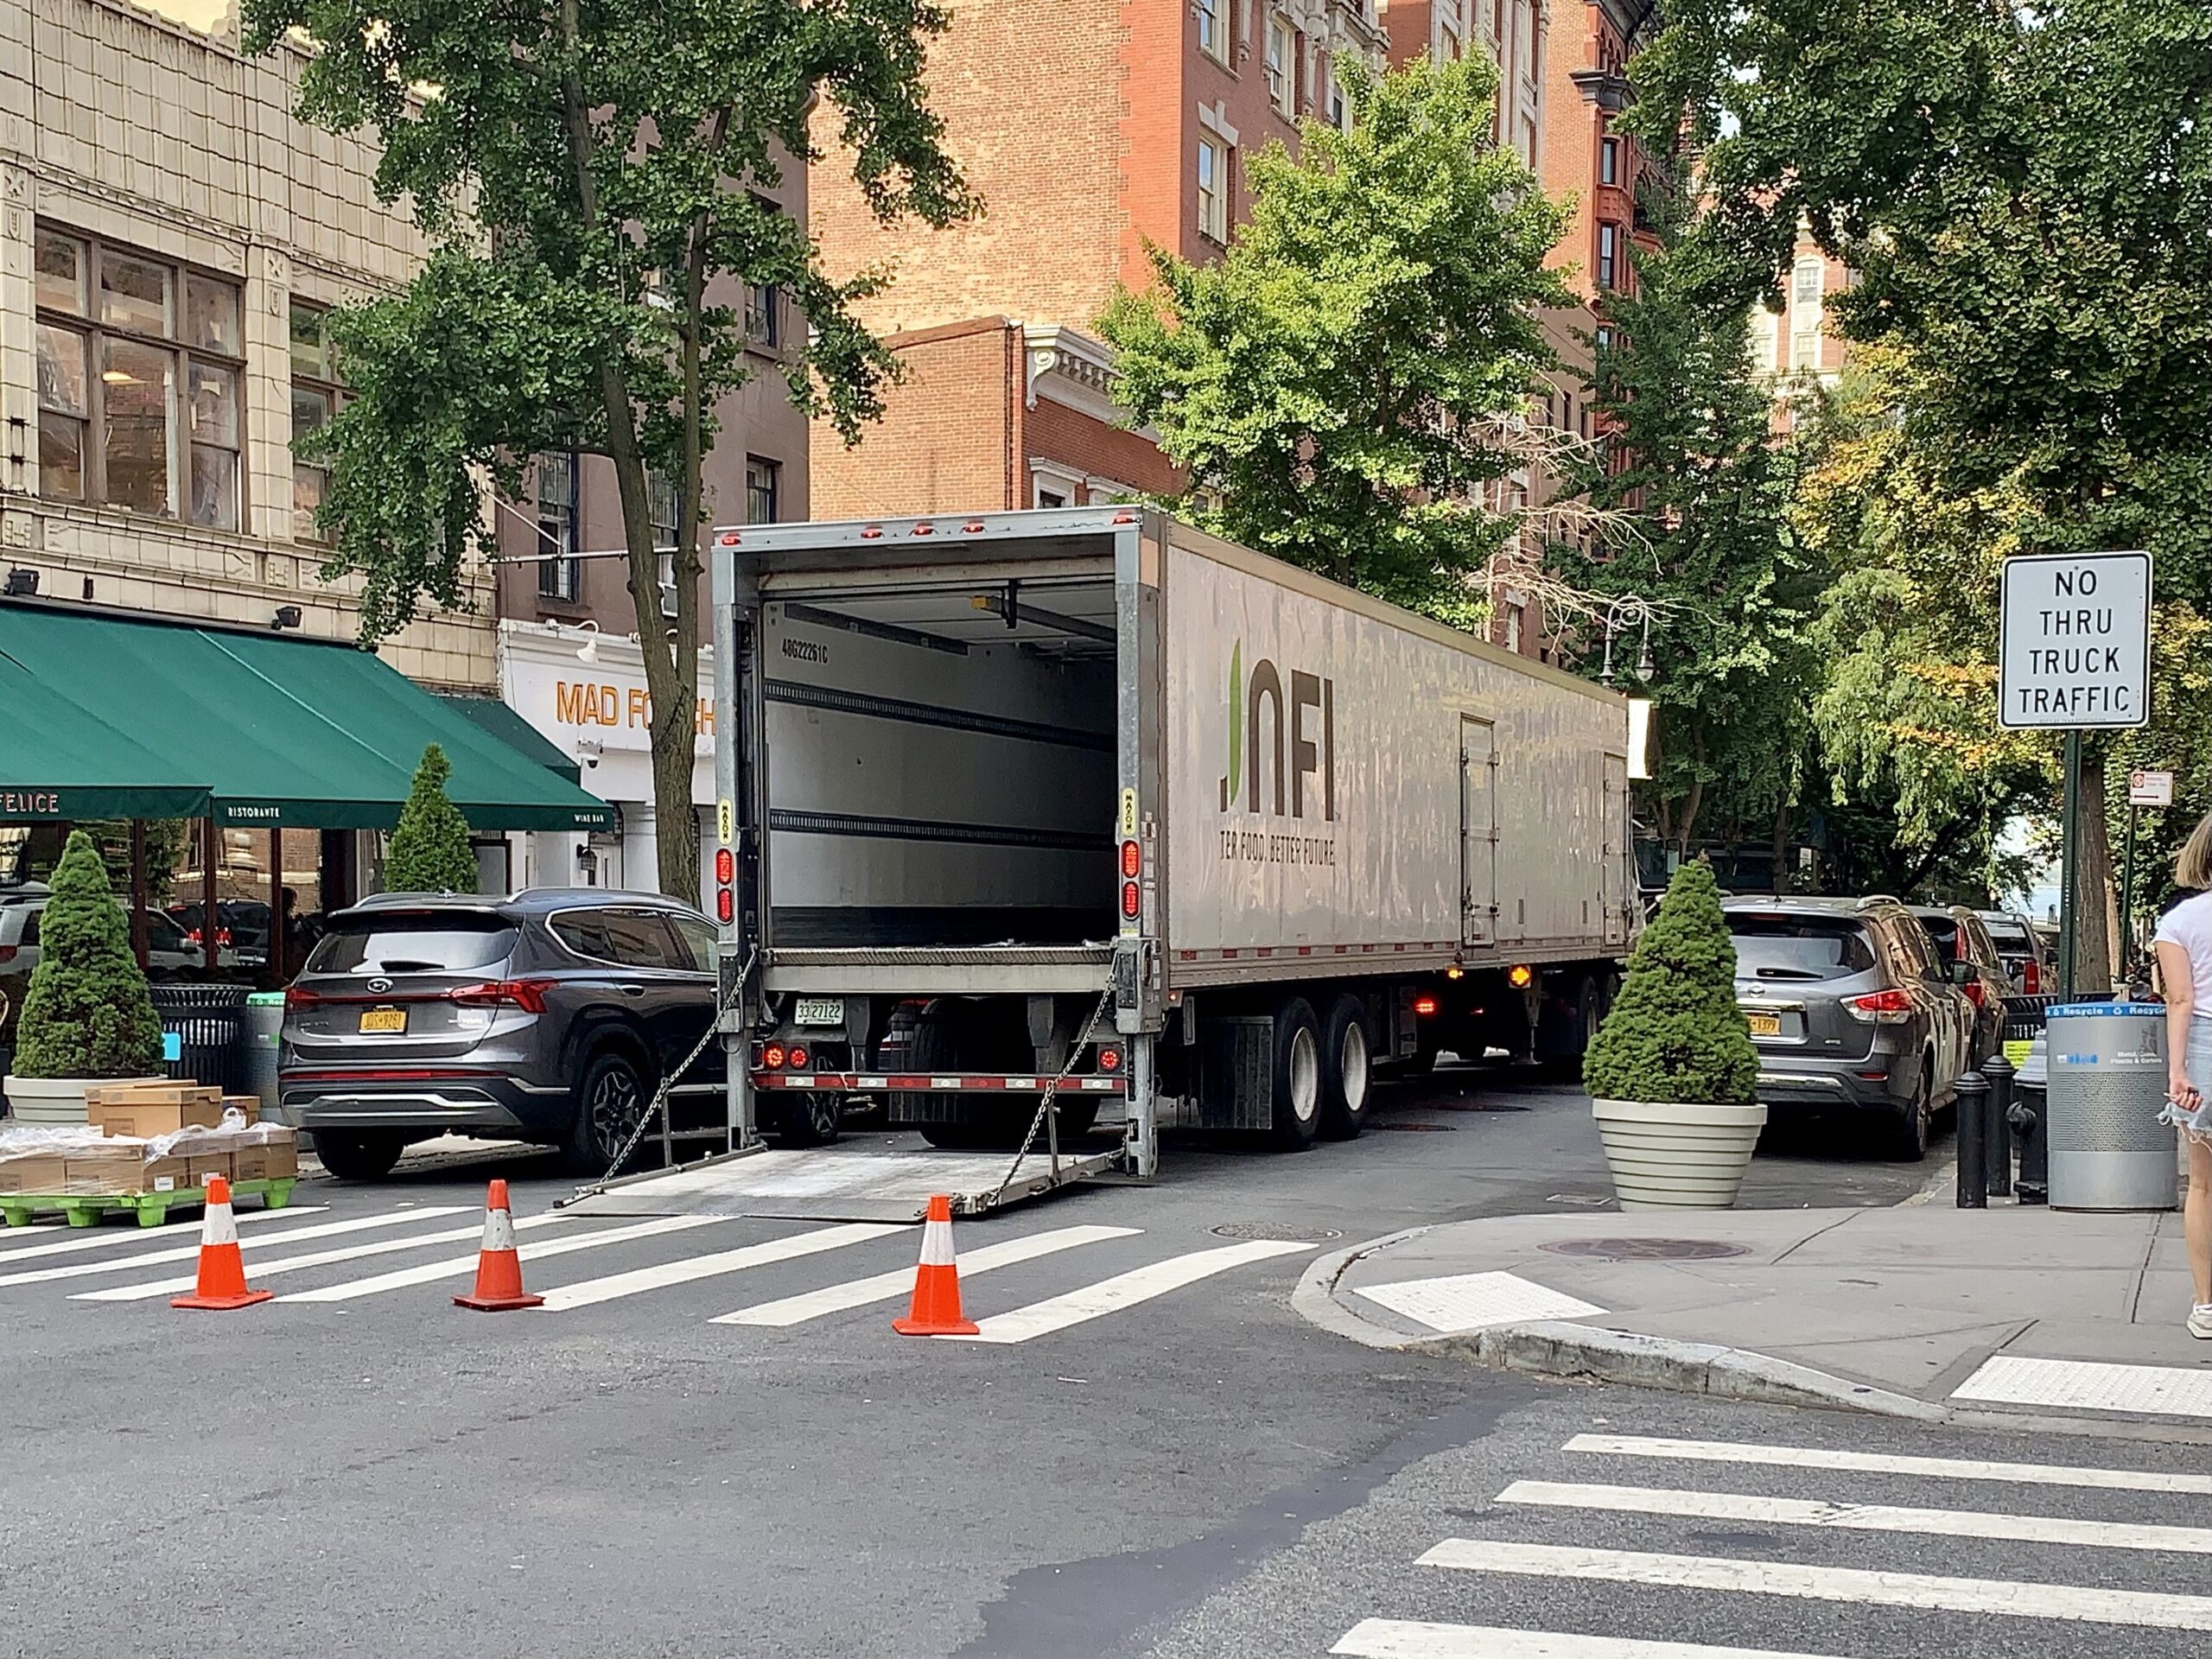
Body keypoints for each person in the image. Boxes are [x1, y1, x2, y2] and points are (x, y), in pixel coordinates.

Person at [2152, 811, 2212, 1338]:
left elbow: (2181, 999)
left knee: (2204, 1185)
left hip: (2205, 1048)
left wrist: (2177, 1069)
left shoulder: (2179, 923)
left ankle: (2205, 1304)